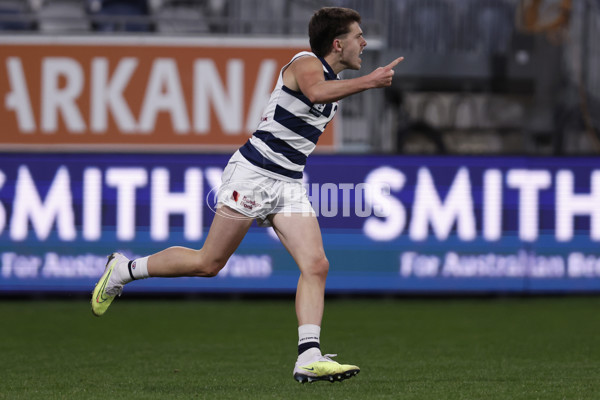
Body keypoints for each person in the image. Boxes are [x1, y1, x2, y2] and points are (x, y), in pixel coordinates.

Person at [92, 6, 403, 383]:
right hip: (253, 175)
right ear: (337, 44)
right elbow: (316, 90)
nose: (364, 42)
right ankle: (123, 270)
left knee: (316, 265)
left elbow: (324, 96)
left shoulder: (335, 86)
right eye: (358, 36)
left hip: (287, 183)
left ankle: (308, 355)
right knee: (208, 263)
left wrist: (362, 82)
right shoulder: (306, 63)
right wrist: (369, 81)